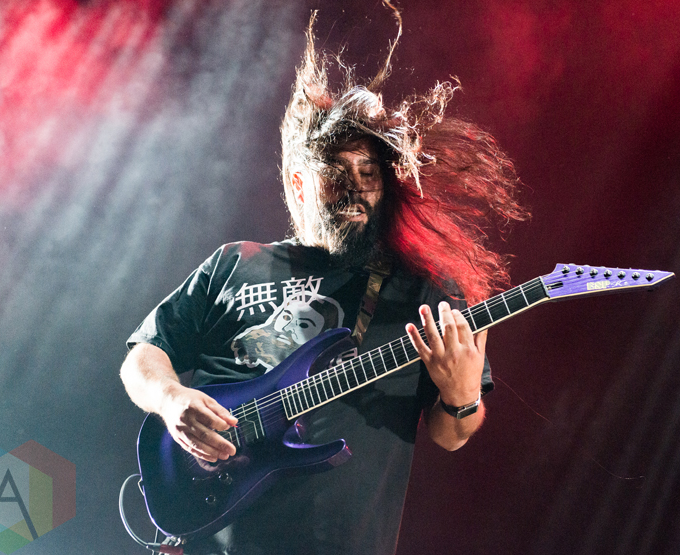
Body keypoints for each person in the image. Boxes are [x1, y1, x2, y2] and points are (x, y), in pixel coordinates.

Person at [120, 6, 527, 554]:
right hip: (210, 534)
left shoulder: (422, 292)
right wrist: (172, 401)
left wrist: (460, 397)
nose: (355, 187)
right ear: (298, 182)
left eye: (368, 173)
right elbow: (143, 357)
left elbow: (451, 434)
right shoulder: (235, 262)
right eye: (335, 172)